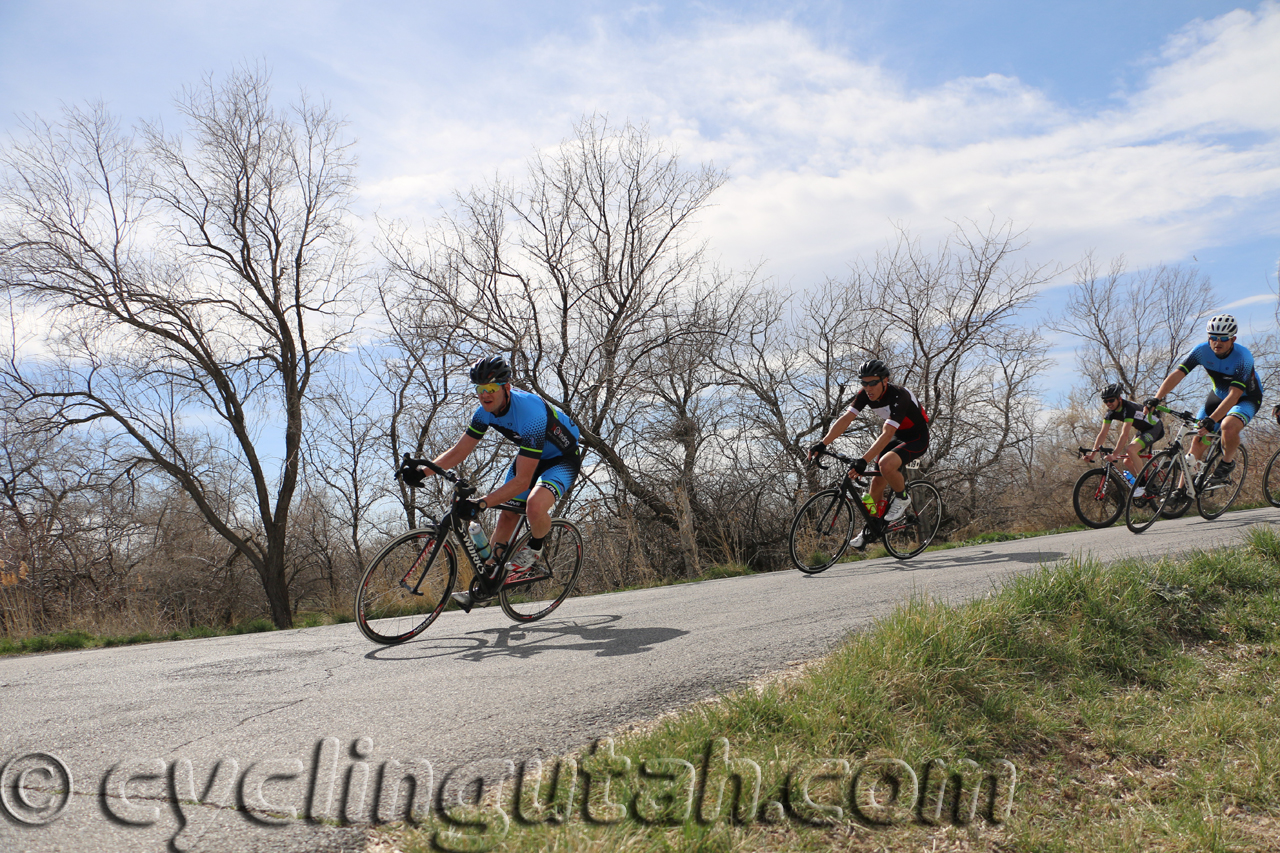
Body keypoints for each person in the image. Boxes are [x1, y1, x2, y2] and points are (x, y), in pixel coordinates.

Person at [402, 354, 581, 611]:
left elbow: (522, 480)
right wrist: (423, 472)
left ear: (506, 388)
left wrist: (481, 504)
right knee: (507, 516)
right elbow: (459, 451)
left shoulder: (530, 413)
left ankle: (535, 549)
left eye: (491, 389)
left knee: (534, 505)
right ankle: (486, 585)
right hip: (531, 455)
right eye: (480, 389)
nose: (485, 395)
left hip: (561, 459)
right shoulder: (483, 413)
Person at [807, 359, 929, 550]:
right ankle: (871, 529)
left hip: (917, 438)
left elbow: (887, 433)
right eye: (864, 383)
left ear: (885, 380)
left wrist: (863, 460)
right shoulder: (865, 394)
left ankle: (902, 496)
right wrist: (823, 444)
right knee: (876, 485)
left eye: (873, 383)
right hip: (896, 436)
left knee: (886, 465)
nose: (868, 387)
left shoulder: (899, 396)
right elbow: (846, 419)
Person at [1143, 314, 1263, 484]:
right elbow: (1178, 373)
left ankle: (1227, 463)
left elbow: (1234, 395)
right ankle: (1182, 490)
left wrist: (1211, 420)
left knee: (1227, 426)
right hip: (1218, 396)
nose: (1217, 342)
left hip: (1246, 398)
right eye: (1213, 337)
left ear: (1233, 339)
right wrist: (1156, 398)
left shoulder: (1243, 357)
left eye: (1223, 339)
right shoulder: (1201, 351)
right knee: (1197, 442)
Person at [1083, 382, 1164, 491]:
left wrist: (1115, 454)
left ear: (1119, 398)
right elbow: (1102, 434)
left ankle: (1146, 484)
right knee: (1127, 461)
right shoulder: (1110, 413)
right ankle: (1147, 485)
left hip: (1155, 428)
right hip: (1143, 430)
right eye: (1105, 401)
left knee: (1131, 449)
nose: (1108, 403)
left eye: (1111, 400)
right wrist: (1092, 455)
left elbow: (1124, 434)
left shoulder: (1128, 408)